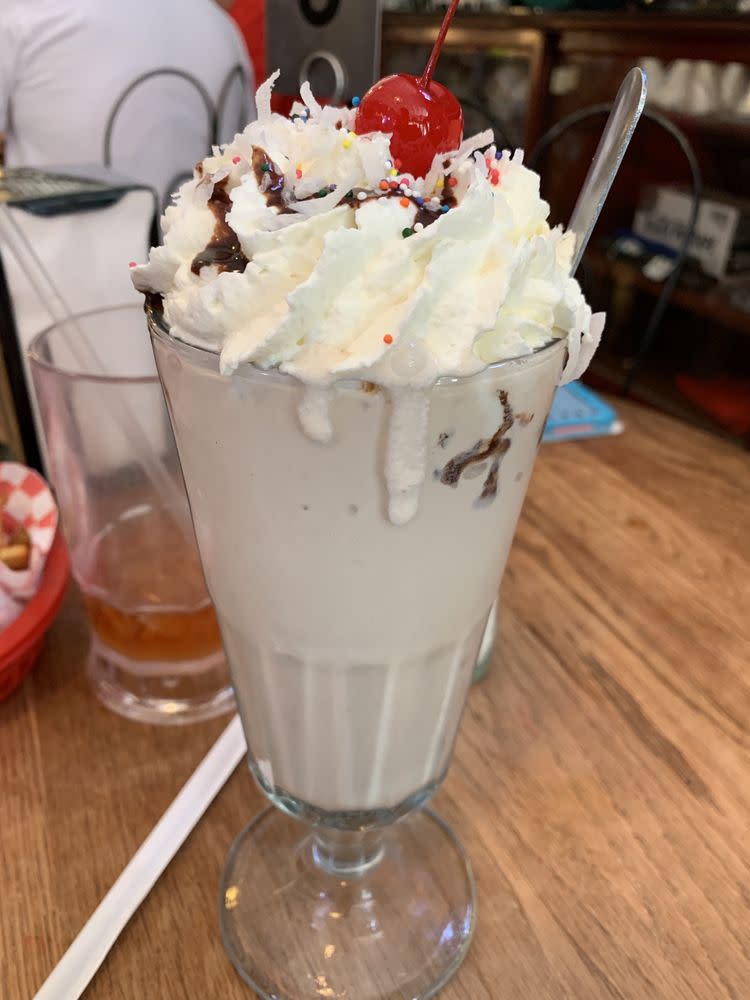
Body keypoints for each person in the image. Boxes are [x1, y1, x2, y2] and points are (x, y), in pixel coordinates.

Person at [0, 0, 255, 204]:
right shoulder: (221, 26)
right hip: (205, 260)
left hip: (52, 260)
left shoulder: (27, 16)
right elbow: (252, 164)